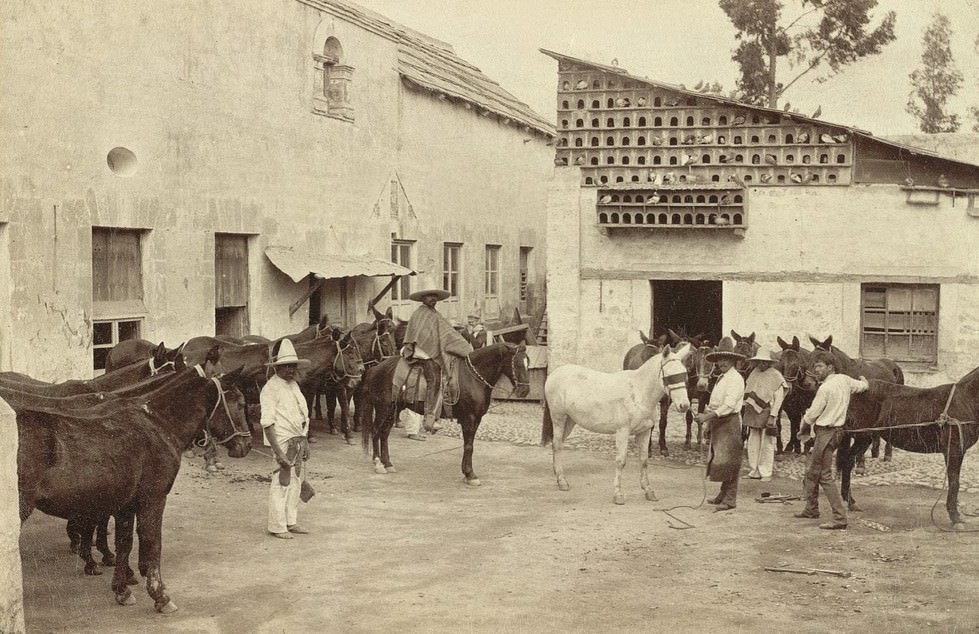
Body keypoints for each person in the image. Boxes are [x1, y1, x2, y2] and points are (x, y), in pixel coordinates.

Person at [794, 350, 869, 530]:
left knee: (824, 475)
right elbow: (861, 386)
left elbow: (812, 414)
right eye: (815, 366)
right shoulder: (844, 379)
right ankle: (811, 508)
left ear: (830, 367)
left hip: (826, 432)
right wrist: (865, 381)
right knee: (812, 470)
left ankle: (839, 517)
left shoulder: (825, 388)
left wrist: (802, 429)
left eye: (819, 366)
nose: (816, 370)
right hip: (836, 432)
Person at [401, 282, 473, 434]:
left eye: (435, 296)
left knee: (449, 372)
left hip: (431, 353)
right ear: (423, 298)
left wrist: (463, 346)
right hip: (423, 353)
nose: (433, 299)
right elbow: (421, 335)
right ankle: (429, 416)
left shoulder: (434, 314)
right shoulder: (420, 314)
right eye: (430, 296)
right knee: (433, 381)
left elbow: (445, 332)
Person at [261, 338, 312, 540]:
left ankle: (291, 520)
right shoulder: (270, 389)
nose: (291, 370)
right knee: (281, 481)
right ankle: (277, 525)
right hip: (282, 441)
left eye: (293, 366)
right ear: (277, 367)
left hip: (298, 439)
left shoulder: (294, 386)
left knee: (296, 481)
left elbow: (302, 416)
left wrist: (305, 439)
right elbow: (267, 423)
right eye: (286, 366)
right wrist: (279, 452)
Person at [695, 336, 746, 512]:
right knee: (720, 460)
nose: (722, 362)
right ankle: (723, 494)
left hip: (729, 421)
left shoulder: (736, 379)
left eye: (726, 359)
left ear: (733, 360)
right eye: (720, 359)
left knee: (730, 461)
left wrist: (708, 417)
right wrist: (707, 420)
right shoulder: (721, 378)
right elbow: (715, 402)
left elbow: (729, 404)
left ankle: (730, 499)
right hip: (718, 421)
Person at [742, 348, 786, 483]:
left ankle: (765, 471)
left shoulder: (775, 375)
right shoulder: (754, 373)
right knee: (753, 440)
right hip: (752, 410)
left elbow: (779, 398)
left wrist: (773, 415)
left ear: (769, 363)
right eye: (759, 361)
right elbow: (749, 391)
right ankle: (754, 470)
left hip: (767, 410)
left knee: (766, 442)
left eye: (764, 362)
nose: (762, 364)